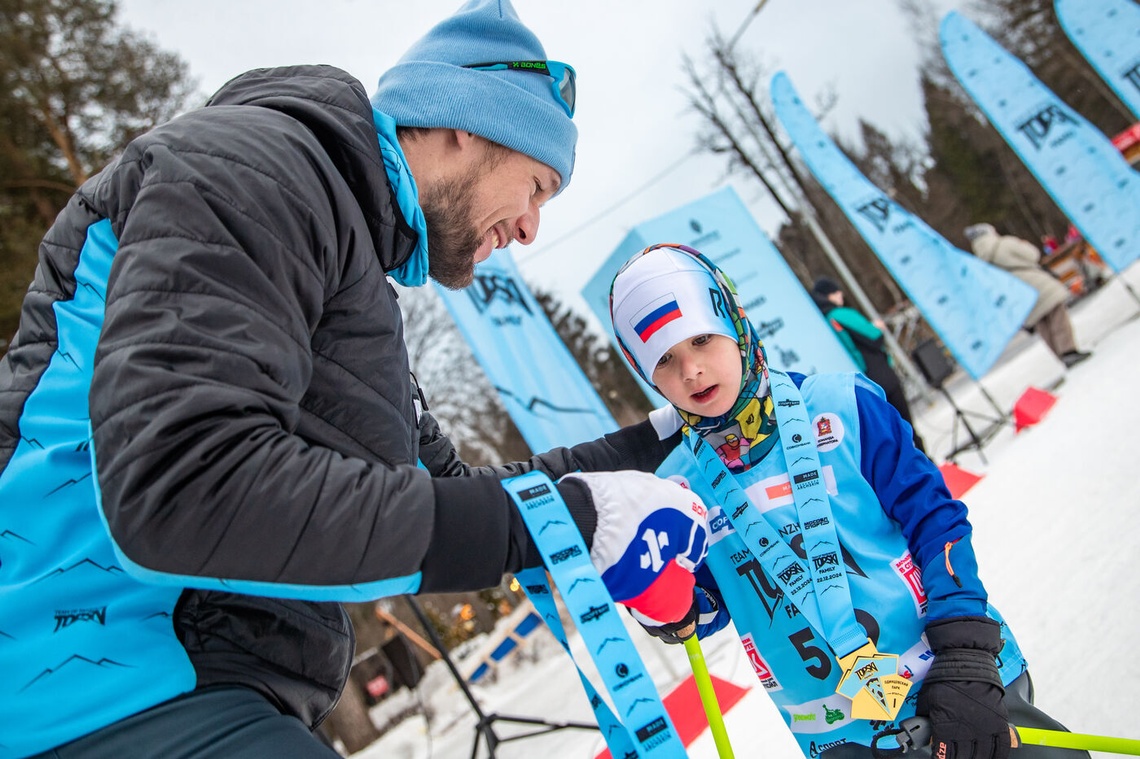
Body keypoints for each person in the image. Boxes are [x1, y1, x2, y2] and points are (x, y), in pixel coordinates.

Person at [0, 2, 708, 757]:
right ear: (460, 124)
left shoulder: (354, 280)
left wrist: (654, 444)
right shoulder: (253, 168)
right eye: (536, 185)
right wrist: (559, 518)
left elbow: (456, 487)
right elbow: (183, 483)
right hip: (85, 674)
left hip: (188, 682)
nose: (532, 227)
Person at [607, 243, 1086, 759]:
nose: (692, 371)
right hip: (841, 730)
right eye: (665, 360)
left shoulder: (842, 405)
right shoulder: (676, 485)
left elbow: (936, 521)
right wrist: (661, 600)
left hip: (948, 674)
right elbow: (707, 606)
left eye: (701, 340)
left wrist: (964, 649)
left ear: (736, 323)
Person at [810, 277, 926, 454]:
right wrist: (877, 327)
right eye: (836, 291)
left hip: (861, 382)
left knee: (887, 430)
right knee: (905, 425)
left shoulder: (822, 323)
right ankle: (926, 462)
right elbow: (873, 336)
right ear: (829, 296)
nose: (840, 294)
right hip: (880, 375)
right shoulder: (840, 314)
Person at [964, 223, 1091, 368]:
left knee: (1042, 324)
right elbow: (1033, 255)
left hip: (1018, 293)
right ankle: (1068, 351)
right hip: (1037, 285)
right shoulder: (1004, 243)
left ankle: (1060, 355)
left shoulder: (980, 261)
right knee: (1057, 316)